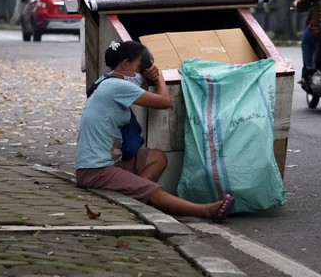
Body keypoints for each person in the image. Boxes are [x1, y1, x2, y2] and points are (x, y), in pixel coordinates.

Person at [75, 40, 235, 222]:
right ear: (125, 64)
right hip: (96, 169)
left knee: (158, 157)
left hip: (108, 160)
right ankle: (205, 211)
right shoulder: (117, 86)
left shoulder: (104, 80)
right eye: (140, 67)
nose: (141, 73)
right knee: (154, 190)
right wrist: (158, 77)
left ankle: (132, 197)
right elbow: (164, 102)